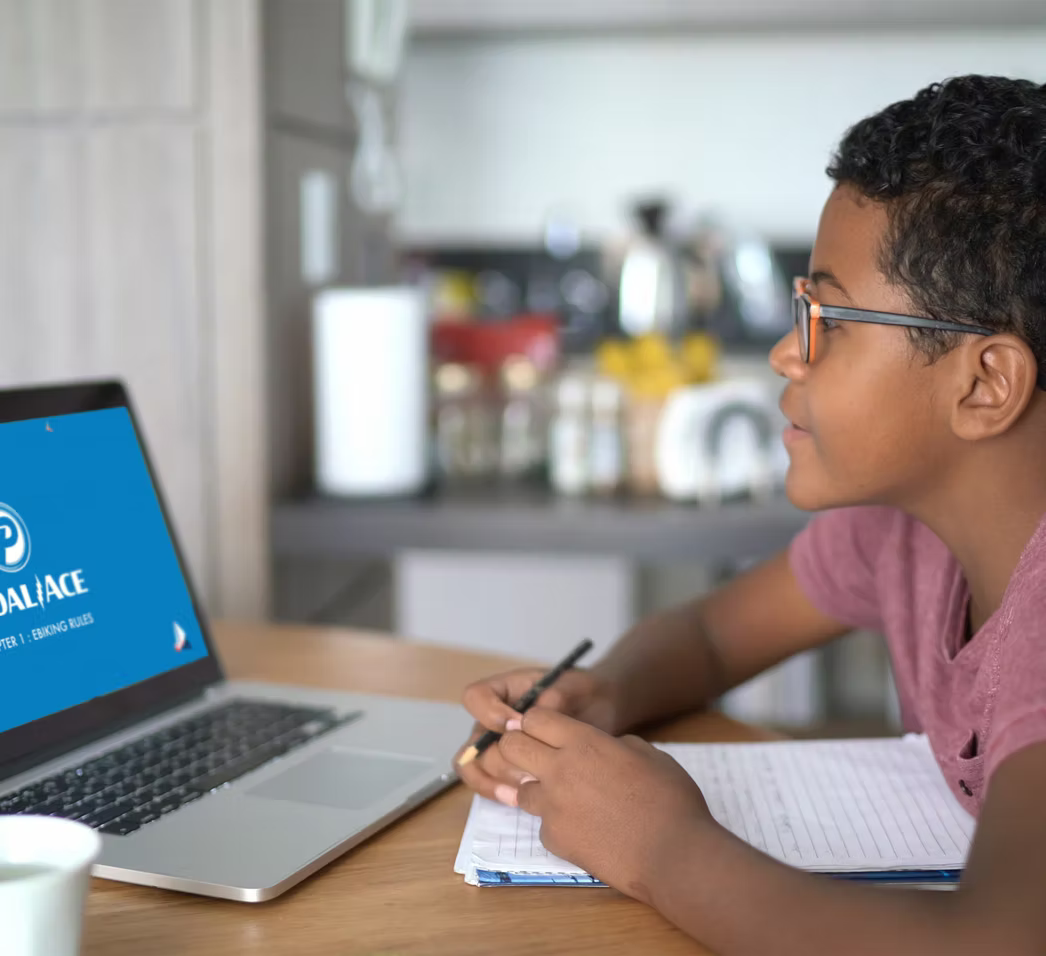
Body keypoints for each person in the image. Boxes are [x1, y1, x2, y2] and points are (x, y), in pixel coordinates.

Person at [455, 75, 1046, 955]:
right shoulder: (904, 529)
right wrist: (608, 690)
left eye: (827, 320)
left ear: (985, 384)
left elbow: (1002, 941)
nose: (783, 353)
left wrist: (663, 847)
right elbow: (711, 637)